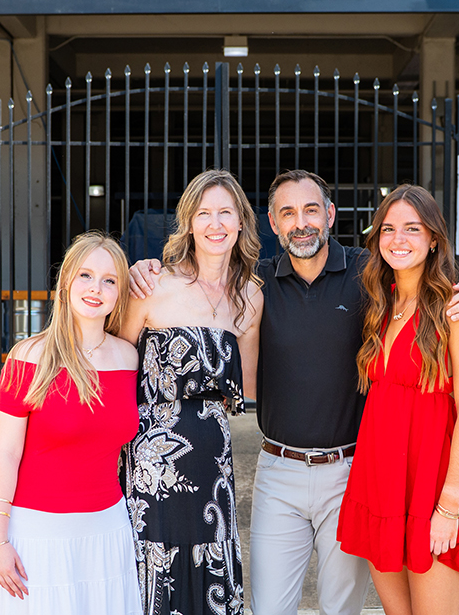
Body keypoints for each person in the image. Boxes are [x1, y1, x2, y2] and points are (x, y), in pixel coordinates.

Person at [130, 170, 459, 615]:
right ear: (272, 222)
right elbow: (200, 301)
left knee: (341, 609)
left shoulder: (370, 276)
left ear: (330, 214)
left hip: (351, 474)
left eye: (310, 210)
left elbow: (429, 292)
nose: (301, 222)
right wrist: (144, 269)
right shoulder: (254, 285)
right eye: (288, 213)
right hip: (278, 470)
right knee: (268, 608)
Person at [337, 184, 459, 615]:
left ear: (434, 238)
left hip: (430, 487)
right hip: (379, 482)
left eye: (412, 229)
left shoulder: (458, 309)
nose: (397, 239)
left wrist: (449, 507)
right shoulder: (379, 302)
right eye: (388, 229)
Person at [119, 169, 263, 615]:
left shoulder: (252, 297)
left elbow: (249, 389)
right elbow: (116, 368)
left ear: (241, 222)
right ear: (189, 223)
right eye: (204, 213)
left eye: (226, 212)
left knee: (210, 567)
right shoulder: (153, 284)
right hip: (151, 465)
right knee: (154, 575)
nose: (215, 223)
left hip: (212, 465)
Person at [0, 231, 142, 615]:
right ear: (66, 282)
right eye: (85, 275)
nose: (96, 288)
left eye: (110, 280)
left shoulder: (127, 357)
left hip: (108, 531)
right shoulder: (28, 358)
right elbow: (5, 454)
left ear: (120, 293)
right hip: (38, 536)